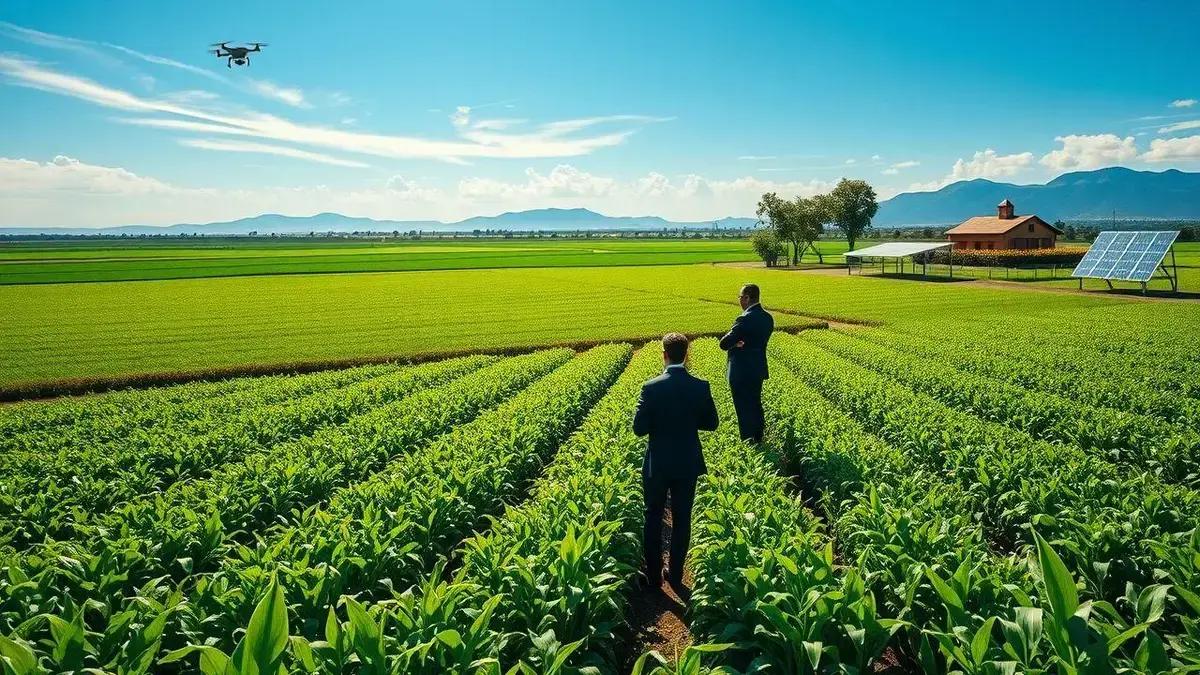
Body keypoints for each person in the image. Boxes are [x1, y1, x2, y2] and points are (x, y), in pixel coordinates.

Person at [633, 332, 719, 595]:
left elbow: (639, 428)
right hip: (687, 462)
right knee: (682, 518)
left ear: (664, 354)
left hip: (657, 463)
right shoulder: (700, 386)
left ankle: (654, 576)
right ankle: (677, 573)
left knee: (653, 516)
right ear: (687, 354)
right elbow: (711, 424)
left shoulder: (651, 387)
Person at [719, 283, 773, 443]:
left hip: (741, 370)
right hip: (758, 368)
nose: (740, 300)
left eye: (741, 297)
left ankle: (748, 440)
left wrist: (735, 344)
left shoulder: (744, 318)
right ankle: (758, 437)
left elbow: (724, 343)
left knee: (743, 407)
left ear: (748, 298)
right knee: (755, 403)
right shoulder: (767, 317)